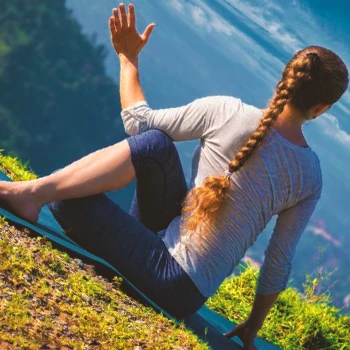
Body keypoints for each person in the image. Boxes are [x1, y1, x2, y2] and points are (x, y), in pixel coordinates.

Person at [0, 3, 348, 349]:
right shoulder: (310, 175)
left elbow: (137, 121)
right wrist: (252, 328)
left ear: (283, 78)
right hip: (185, 289)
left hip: (171, 278)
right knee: (155, 147)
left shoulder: (228, 111)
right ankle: (32, 194)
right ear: (320, 110)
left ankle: (33, 195)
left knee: (68, 197)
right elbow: (278, 260)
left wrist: (127, 59)